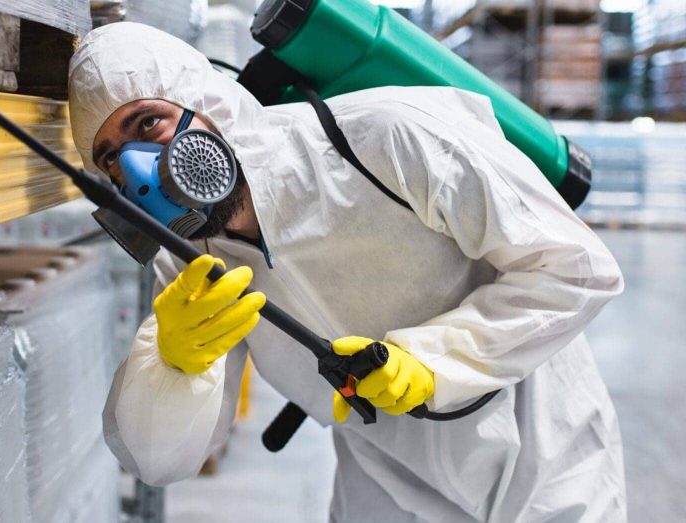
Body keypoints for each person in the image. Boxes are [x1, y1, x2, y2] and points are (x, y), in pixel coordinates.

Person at [69, 22, 626, 522]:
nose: (139, 172)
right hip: (385, 488)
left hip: (544, 463)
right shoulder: (189, 262)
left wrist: (433, 361)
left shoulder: (387, 137)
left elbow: (575, 268)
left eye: (149, 124)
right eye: (112, 158)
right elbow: (161, 459)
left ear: (205, 101)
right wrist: (174, 366)